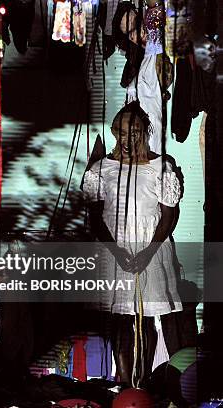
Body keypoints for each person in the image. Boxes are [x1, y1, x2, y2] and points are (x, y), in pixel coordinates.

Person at [83, 102, 182, 385]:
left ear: (144, 133)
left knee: (146, 317)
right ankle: (125, 382)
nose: (126, 141)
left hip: (150, 247)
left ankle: (145, 380)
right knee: (121, 318)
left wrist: (149, 252)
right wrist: (116, 251)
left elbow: (168, 215)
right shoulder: (103, 168)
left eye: (133, 134)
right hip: (114, 250)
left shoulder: (160, 166)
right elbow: (94, 216)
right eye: (121, 134)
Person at [113, 0, 172, 155]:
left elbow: (156, 13)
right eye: (129, 32)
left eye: (135, 23)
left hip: (152, 131)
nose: (135, 34)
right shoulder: (137, 64)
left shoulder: (155, 51)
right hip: (142, 133)